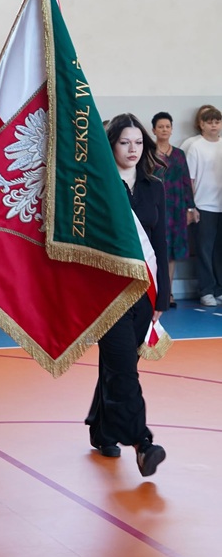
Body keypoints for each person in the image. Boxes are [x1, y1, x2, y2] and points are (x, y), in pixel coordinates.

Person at [86, 113, 170, 477]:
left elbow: (161, 244)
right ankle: (142, 443)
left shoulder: (154, 187)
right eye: (124, 142)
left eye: (138, 142)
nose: (132, 149)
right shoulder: (97, 187)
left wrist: (162, 297)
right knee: (122, 367)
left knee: (120, 366)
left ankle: (101, 429)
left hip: (144, 293)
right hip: (107, 292)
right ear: (112, 146)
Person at [151, 111, 195, 307]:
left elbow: (186, 181)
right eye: (160, 127)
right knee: (155, 250)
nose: (164, 130)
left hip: (177, 209)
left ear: (171, 129)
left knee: (172, 252)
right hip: (155, 208)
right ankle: (154, 292)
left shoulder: (179, 154)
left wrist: (191, 208)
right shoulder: (148, 153)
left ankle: (167, 293)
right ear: (154, 130)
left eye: (167, 126)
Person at [185, 106, 222, 306]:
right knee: (204, 250)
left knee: (219, 251)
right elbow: (189, 180)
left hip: (220, 205)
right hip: (203, 205)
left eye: (217, 122)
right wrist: (192, 207)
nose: (214, 125)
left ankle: (219, 289)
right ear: (202, 124)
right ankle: (206, 290)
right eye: (209, 122)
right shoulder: (196, 147)